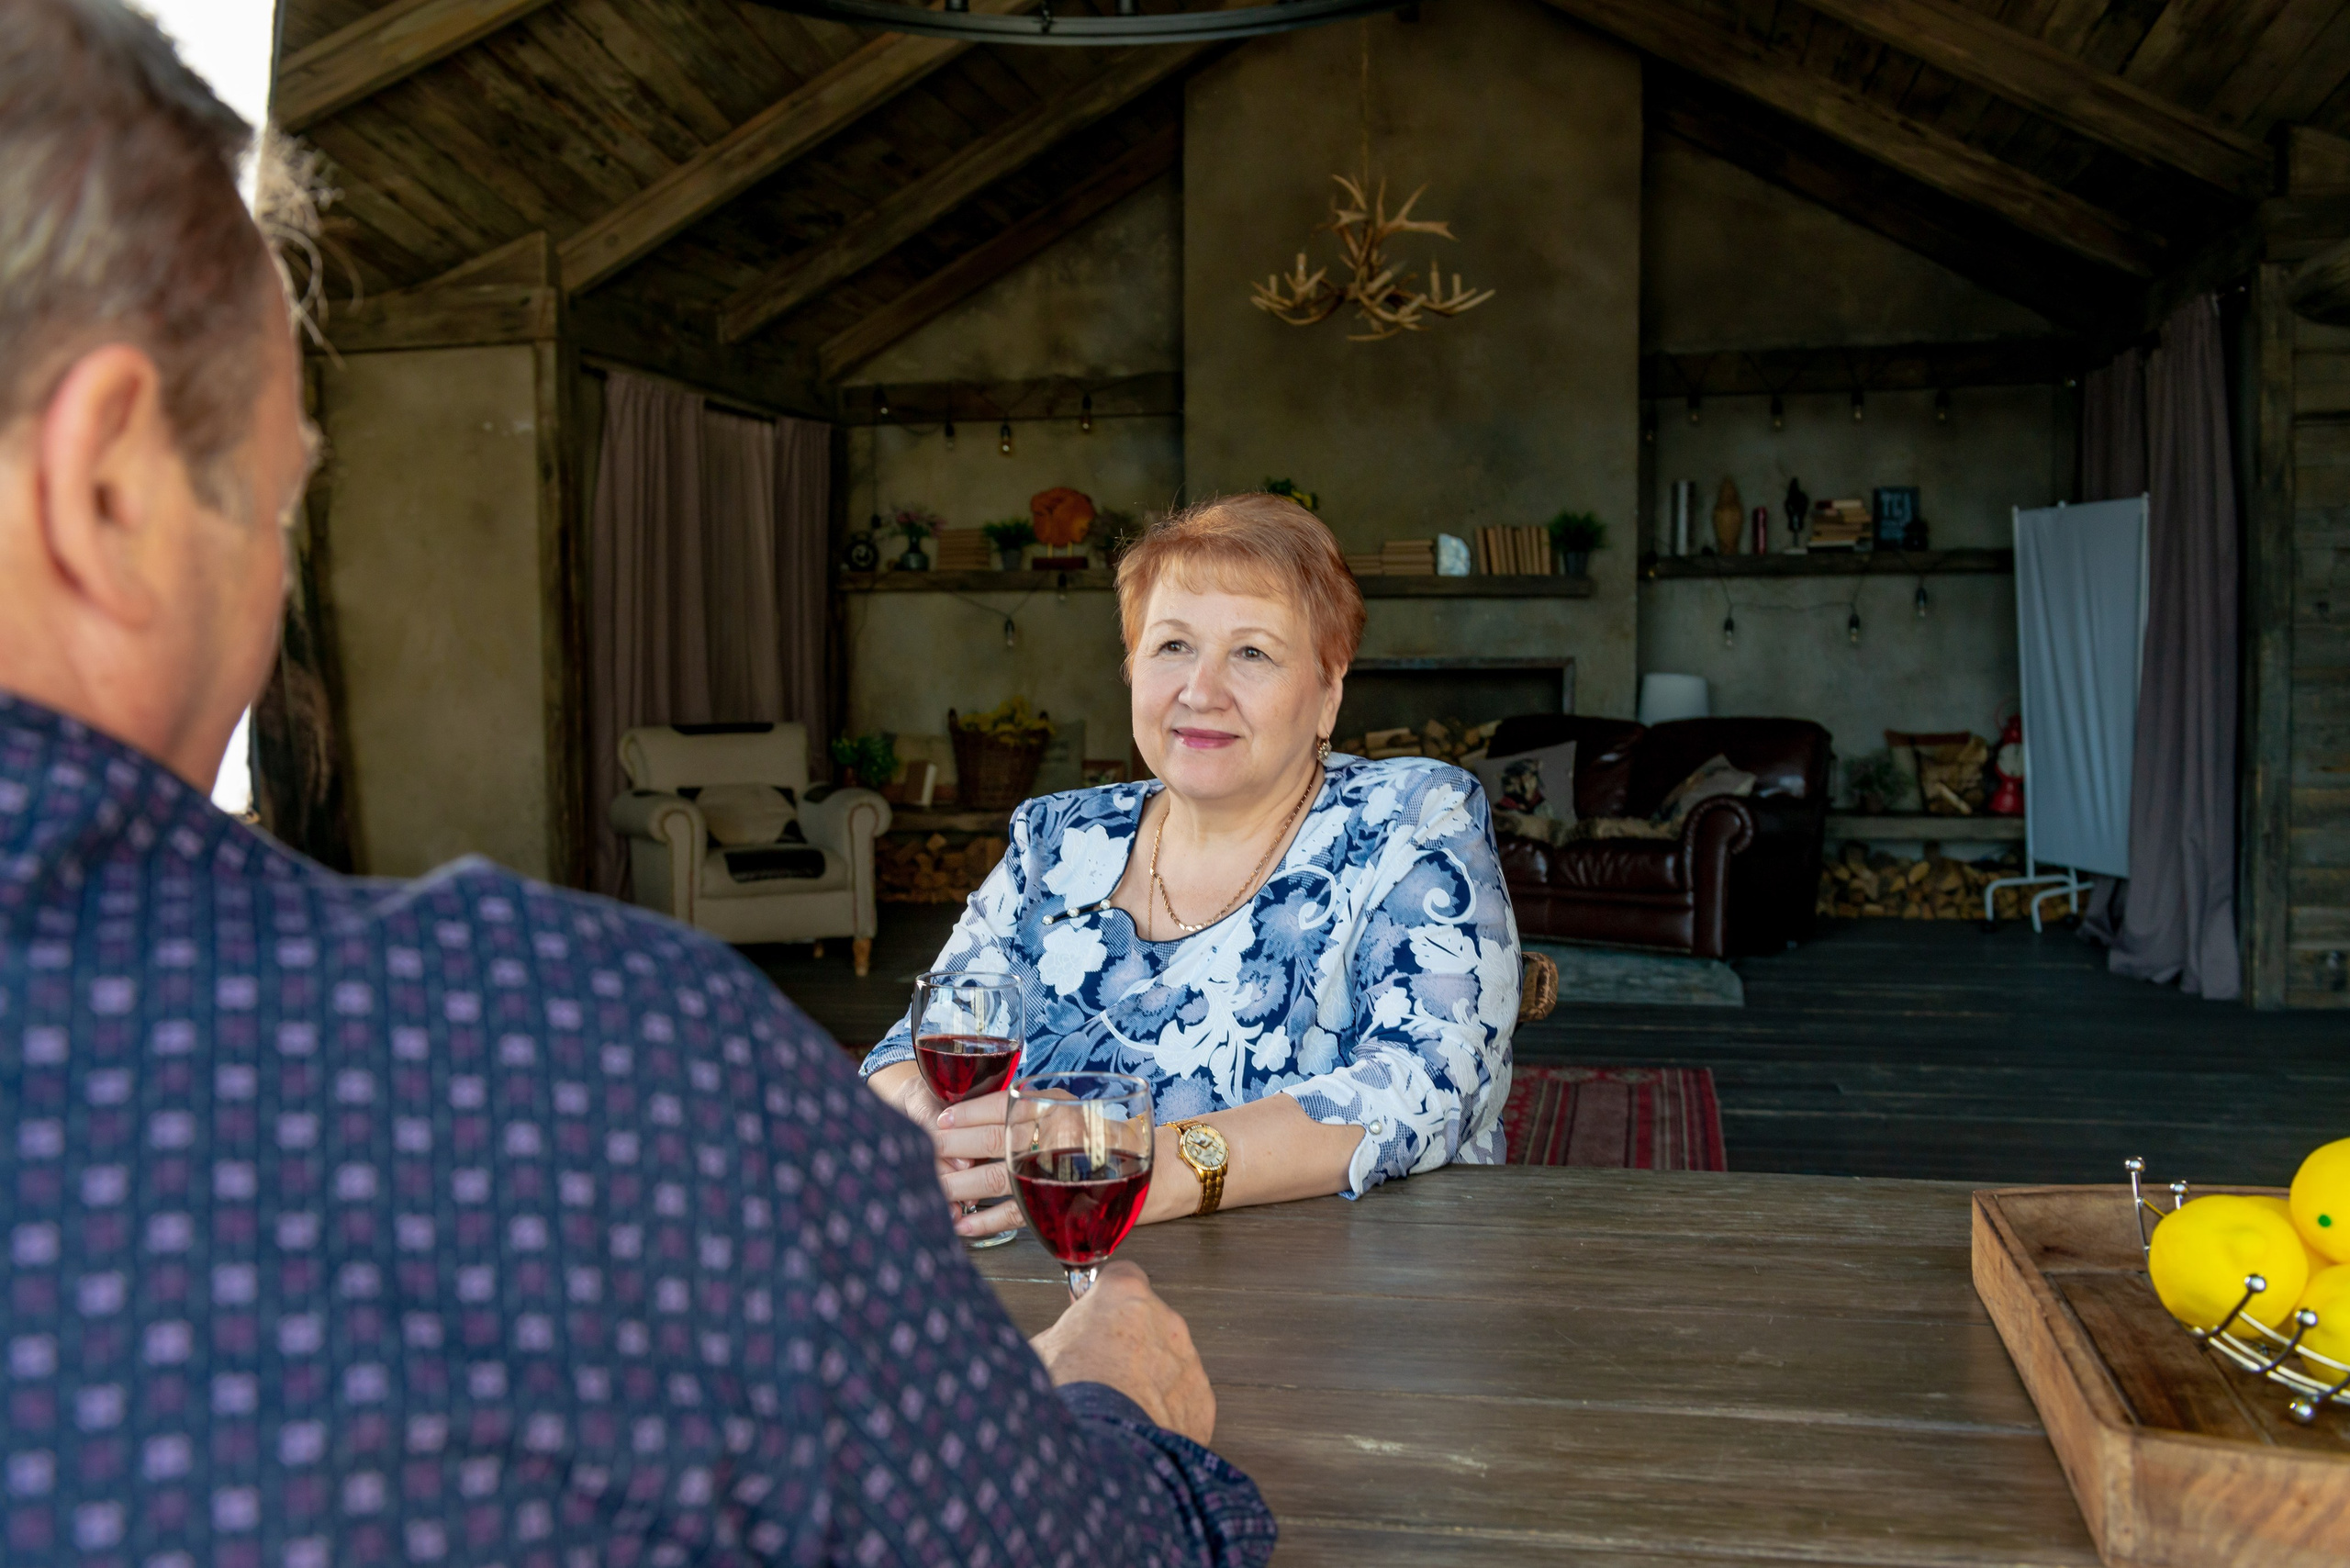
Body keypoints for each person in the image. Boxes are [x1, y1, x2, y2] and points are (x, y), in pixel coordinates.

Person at [0, 4, 1275, 1563]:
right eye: (271, 507)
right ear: (105, 486)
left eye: (1256, 654)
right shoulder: (582, 1080)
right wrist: (1120, 1416)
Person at [864, 496, 1519, 1241]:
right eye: (1172, 646)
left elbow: (1430, 1083)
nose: (1200, 692)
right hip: (1050, 1269)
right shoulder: (1057, 836)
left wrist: (1148, 1166)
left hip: (1335, 1304)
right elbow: (904, 1051)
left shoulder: (1412, 818)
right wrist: (939, 1130)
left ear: (1328, 691)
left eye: (1252, 653)